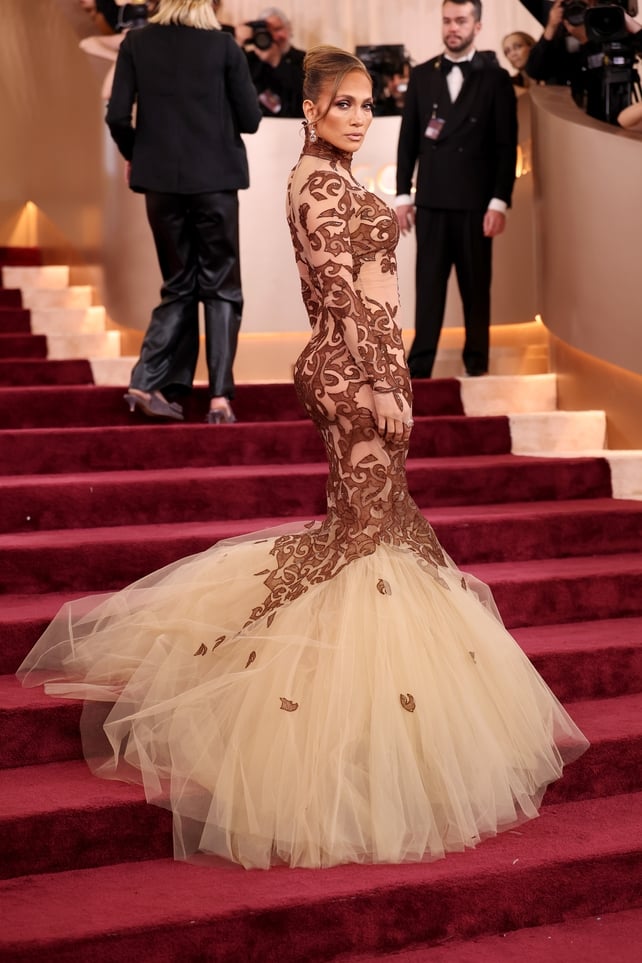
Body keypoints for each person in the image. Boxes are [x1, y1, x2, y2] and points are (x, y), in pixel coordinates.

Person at [17, 45, 588, 871]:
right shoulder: (314, 183)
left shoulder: (340, 179)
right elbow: (343, 293)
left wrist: (391, 370)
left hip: (369, 369)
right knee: (364, 547)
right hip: (353, 375)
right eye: (344, 105)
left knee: (375, 539)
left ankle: (374, 740)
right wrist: (382, 382)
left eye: (367, 104)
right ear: (311, 112)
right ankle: (340, 753)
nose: (359, 116)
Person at [105, 0, 261, 424]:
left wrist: (137, 153)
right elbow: (250, 119)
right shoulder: (224, 47)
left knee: (178, 284)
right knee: (222, 287)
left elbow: (117, 115)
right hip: (215, 183)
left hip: (161, 185)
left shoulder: (136, 43)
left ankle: (150, 378)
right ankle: (219, 398)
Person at [396, 0, 518, 379]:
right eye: (447, 20)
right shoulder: (421, 75)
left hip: (475, 202)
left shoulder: (495, 79)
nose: (453, 27)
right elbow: (408, 141)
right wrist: (403, 196)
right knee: (427, 287)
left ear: (477, 26)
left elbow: (505, 146)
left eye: (461, 21)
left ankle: (477, 364)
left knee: (475, 288)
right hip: (431, 199)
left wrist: (498, 201)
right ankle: (419, 368)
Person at [235, 6, 304, 117]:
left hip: (296, 127)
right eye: (267, 32)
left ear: (289, 29)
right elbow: (228, 81)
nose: (274, 37)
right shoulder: (248, 60)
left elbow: (308, 93)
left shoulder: (305, 59)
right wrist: (238, 43)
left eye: (277, 29)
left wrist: (276, 61)